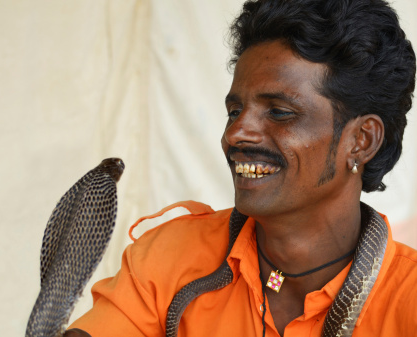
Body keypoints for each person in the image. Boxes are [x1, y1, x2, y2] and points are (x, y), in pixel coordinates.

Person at [65, 0, 417, 336]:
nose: (235, 134)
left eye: (279, 112)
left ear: (362, 140)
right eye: (235, 111)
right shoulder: (169, 259)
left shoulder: (407, 301)